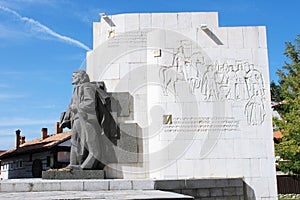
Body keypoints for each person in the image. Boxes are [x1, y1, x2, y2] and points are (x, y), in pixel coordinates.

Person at [60, 70, 117, 170]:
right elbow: (71, 106)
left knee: (90, 141)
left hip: (87, 119)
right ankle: (74, 163)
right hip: (77, 118)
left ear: (81, 77)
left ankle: (88, 164)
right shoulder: (76, 89)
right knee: (75, 141)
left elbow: (90, 102)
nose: (72, 78)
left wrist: (77, 107)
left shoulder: (87, 87)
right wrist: (65, 118)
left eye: (74, 76)